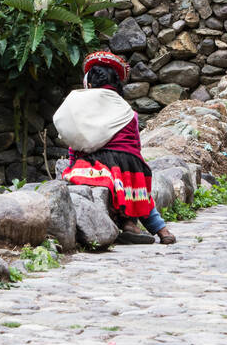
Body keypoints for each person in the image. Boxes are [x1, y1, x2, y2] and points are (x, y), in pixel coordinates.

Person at [55, 51, 176, 245]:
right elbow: (134, 148)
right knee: (139, 193)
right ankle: (158, 229)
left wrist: (71, 167)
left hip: (98, 169)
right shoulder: (128, 112)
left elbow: (75, 143)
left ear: (90, 84)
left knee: (108, 175)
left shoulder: (81, 107)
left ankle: (127, 225)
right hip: (132, 172)